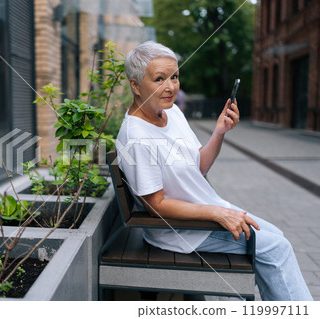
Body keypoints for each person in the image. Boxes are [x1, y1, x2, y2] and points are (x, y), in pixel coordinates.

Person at [116, 41, 312, 301]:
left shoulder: (171, 113)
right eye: (159, 79)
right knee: (277, 250)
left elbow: (200, 166)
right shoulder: (137, 136)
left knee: (277, 238)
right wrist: (218, 213)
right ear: (135, 85)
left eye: (174, 77)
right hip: (182, 231)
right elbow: (156, 206)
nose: (171, 87)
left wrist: (219, 132)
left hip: (204, 214)